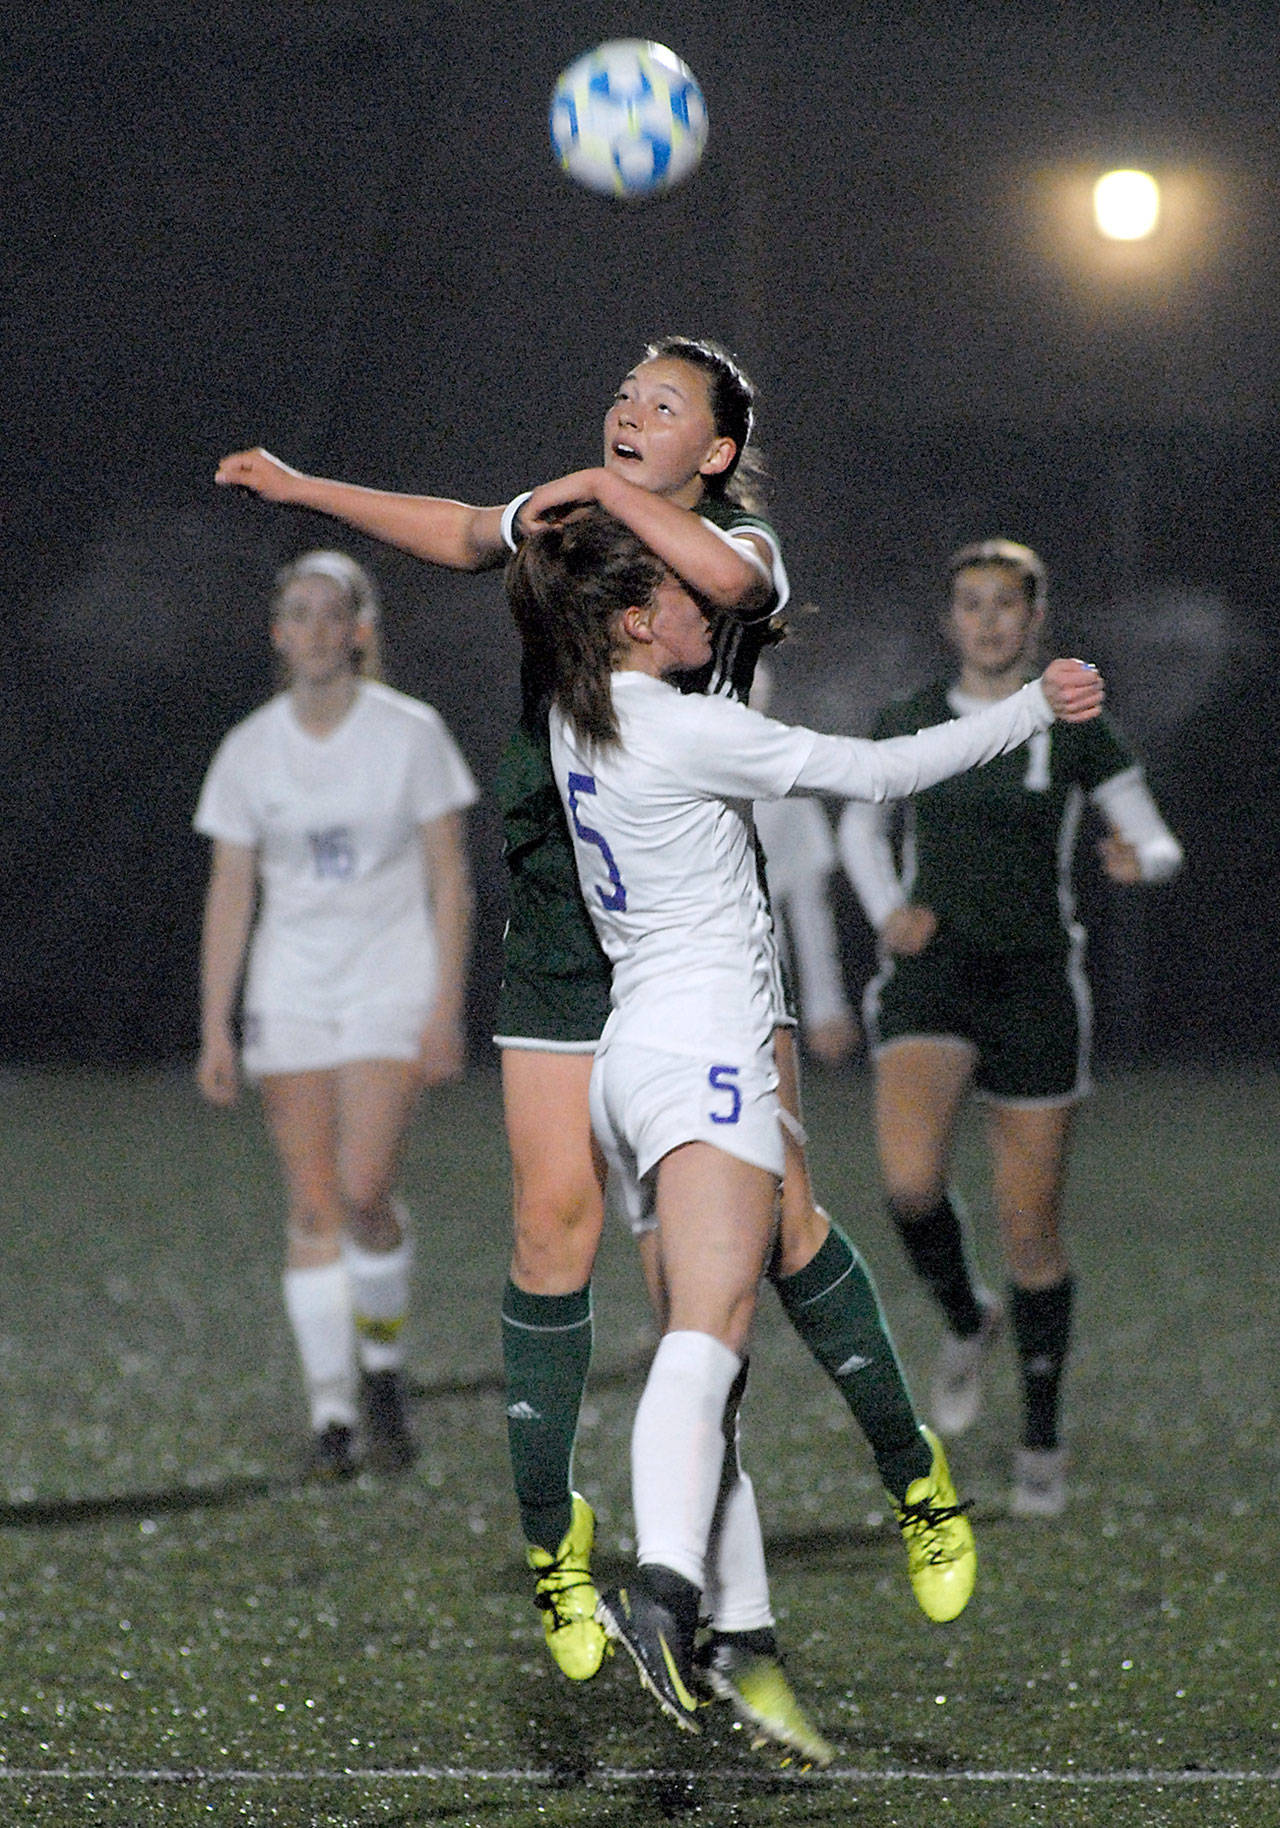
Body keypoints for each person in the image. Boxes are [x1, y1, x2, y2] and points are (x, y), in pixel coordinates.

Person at [214, 338, 973, 1718]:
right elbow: (456, 531)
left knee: (779, 1238)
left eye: (665, 405)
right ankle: (603, 1574)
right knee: (555, 1235)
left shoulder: (739, 544)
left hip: (693, 924)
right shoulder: (577, 518)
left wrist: (590, 491)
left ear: (718, 452)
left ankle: (909, 1481)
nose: (631, 411)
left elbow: (736, 588)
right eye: (626, 394)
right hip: (569, 916)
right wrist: (301, 483)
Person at [507, 504, 1105, 1735]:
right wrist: (1030, 708)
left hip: (625, 1063)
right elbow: (882, 773)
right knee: (710, 1334)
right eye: (677, 594)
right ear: (632, 620)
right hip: (706, 1049)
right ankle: (674, 1592)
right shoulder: (683, 728)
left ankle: (865, 1511)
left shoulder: (577, 705)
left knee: (750, 1285)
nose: (703, 603)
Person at [837, 539, 1184, 1518]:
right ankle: (964, 1317)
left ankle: (1039, 1435)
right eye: (970, 603)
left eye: (1005, 604)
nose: (987, 619)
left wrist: (1139, 860)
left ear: (1033, 620)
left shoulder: (1071, 724)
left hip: (1033, 981)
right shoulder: (908, 720)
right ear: (949, 622)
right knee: (907, 1185)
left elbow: (1152, 835)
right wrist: (882, 910)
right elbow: (860, 820)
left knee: (1028, 1224)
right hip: (931, 974)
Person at [194, 550, 477, 1478]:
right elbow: (231, 893)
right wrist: (216, 1026)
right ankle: (333, 1418)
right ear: (278, 633)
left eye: (332, 613)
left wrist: (445, 1008)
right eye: (296, 613)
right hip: (293, 990)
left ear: (360, 629)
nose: (314, 630)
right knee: (313, 1205)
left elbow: (450, 877)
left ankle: (384, 1368)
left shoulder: (411, 733)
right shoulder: (249, 748)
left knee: (365, 1194)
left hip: (389, 983)